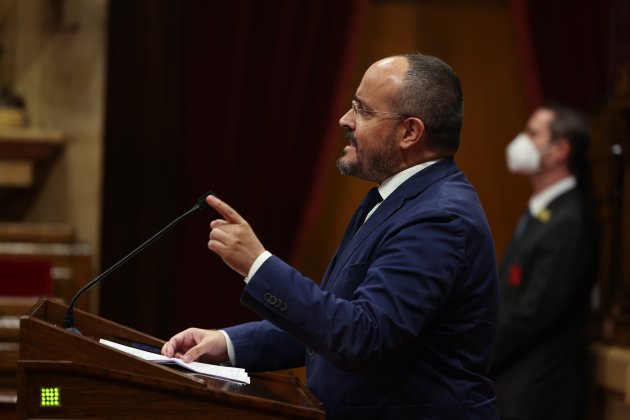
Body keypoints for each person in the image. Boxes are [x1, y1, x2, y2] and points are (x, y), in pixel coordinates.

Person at [162, 53, 499, 419]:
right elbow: (332, 323)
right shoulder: (389, 199)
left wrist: (258, 264)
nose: (345, 119)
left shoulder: (438, 217)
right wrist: (228, 343)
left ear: (409, 133)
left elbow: (362, 337)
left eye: (363, 111)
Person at [492, 103, 597, 420]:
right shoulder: (544, 210)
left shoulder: (567, 219)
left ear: (560, 151)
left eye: (533, 133)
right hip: (517, 380)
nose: (521, 141)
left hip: (540, 391)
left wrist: (475, 356)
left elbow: (533, 313)